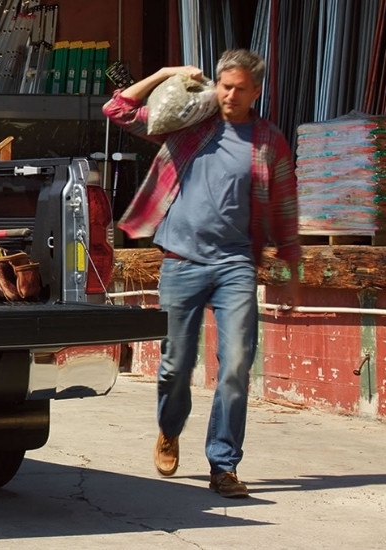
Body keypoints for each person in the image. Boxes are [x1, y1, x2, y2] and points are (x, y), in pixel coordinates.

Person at [103, 49, 300, 498]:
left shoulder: (268, 141)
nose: (229, 95)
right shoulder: (190, 121)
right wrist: (168, 70)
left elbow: (286, 203)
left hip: (235, 263)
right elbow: (118, 109)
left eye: (238, 89)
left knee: (235, 366)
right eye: (223, 86)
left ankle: (223, 465)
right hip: (181, 260)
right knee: (175, 366)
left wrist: (290, 266)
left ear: (256, 91)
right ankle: (169, 429)